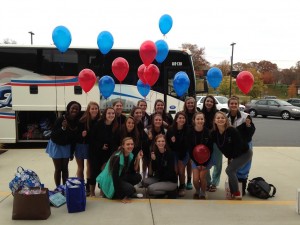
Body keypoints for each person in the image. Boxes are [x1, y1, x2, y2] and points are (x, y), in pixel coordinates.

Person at [211, 111, 253, 200]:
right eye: (218, 118)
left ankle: (237, 192)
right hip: (233, 155)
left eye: (222, 118)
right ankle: (232, 192)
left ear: (226, 120)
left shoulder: (232, 130)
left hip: (244, 153)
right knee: (231, 171)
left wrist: (232, 158)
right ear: (214, 120)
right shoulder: (214, 133)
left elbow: (239, 146)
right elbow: (208, 142)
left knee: (229, 170)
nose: (220, 119)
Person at [96, 137, 143, 203]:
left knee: (138, 177)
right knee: (130, 189)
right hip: (111, 181)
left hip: (120, 177)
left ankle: (126, 189)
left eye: (132, 144)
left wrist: (138, 159)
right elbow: (115, 178)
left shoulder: (129, 155)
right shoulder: (117, 157)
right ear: (123, 146)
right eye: (128, 144)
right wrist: (122, 197)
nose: (130, 146)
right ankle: (116, 193)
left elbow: (133, 171)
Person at [46, 101, 81, 187]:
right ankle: (58, 188)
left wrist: (71, 152)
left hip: (66, 146)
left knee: (65, 169)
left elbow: (74, 139)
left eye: (77, 109)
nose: (74, 110)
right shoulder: (61, 119)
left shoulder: (77, 121)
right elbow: (53, 135)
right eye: (73, 108)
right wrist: (63, 128)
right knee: (58, 169)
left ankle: (65, 188)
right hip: (56, 145)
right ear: (68, 109)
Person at [227, 96, 256, 195]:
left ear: (238, 105)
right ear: (228, 105)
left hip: (245, 145)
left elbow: (251, 132)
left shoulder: (246, 116)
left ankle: (241, 187)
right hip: (233, 146)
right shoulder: (226, 118)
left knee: (244, 166)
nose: (234, 105)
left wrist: (248, 126)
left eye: (235, 103)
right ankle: (234, 188)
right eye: (232, 103)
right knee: (233, 166)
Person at [89, 107, 119, 197]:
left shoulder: (115, 126)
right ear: (105, 114)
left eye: (113, 113)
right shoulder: (98, 124)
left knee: (104, 173)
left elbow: (115, 141)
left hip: (108, 154)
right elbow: (91, 139)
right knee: (94, 172)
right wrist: (101, 145)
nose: (111, 115)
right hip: (96, 153)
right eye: (109, 113)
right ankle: (92, 192)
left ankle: (102, 192)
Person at [75, 101, 101, 196]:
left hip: (91, 146)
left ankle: (88, 185)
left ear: (98, 110)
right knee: (80, 167)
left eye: (96, 108)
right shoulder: (82, 120)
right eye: (92, 108)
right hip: (81, 145)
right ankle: (80, 186)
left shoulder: (99, 120)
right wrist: (81, 135)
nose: (94, 110)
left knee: (90, 166)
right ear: (88, 110)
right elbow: (75, 135)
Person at [186, 112, 213, 199]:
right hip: (195, 159)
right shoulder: (190, 132)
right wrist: (197, 163)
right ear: (194, 120)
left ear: (204, 120)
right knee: (195, 179)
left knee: (202, 177)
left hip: (207, 159)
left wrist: (204, 164)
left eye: (201, 119)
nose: (200, 121)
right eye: (198, 119)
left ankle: (203, 192)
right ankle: (197, 190)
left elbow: (210, 150)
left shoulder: (208, 132)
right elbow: (190, 149)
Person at [142, 134, 178, 199]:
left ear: (165, 142)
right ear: (155, 143)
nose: (161, 143)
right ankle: (162, 189)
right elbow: (154, 169)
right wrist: (153, 160)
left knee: (150, 189)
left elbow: (169, 172)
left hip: (170, 181)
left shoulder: (170, 154)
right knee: (144, 182)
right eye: (159, 141)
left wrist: (157, 161)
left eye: (162, 141)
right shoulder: (155, 153)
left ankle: (170, 191)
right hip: (160, 178)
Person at [202, 95, 222, 193]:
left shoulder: (217, 114)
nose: (209, 103)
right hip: (204, 143)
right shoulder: (201, 114)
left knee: (218, 163)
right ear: (204, 102)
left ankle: (214, 183)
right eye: (207, 101)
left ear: (213, 103)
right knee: (206, 163)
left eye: (211, 101)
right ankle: (208, 182)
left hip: (216, 142)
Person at [166, 111, 189, 197]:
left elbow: (186, 146)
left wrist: (180, 159)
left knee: (181, 169)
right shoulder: (171, 130)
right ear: (176, 119)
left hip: (184, 153)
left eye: (183, 118)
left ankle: (182, 186)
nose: (181, 120)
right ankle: (174, 186)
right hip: (173, 153)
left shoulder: (188, 130)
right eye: (180, 118)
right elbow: (168, 144)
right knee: (174, 170)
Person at [144, 113, 167, 177]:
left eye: (160, 120)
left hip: (161, 153)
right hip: (149, 152)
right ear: (153, 121)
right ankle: (149, 175)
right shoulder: (147, 130)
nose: (158, 121)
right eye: (156, 120)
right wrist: (149, 139)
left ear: (162, 121)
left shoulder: (165, 131)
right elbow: (144, 145)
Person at [182, 97, 198, 190]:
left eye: (192, 103)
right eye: (188, 103)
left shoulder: (197, 114)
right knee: (182, 162)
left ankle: (189, 180)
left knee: (189, 162)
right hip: (183, 141)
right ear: (185, 104)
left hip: (193, 141)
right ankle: (182, 182)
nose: (190, 105)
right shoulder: (182, 114)